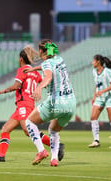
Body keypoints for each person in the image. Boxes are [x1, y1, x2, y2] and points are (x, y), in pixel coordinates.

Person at [0, 46, 64, 162]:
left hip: (24, 105)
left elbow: (16, 86)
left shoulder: (22, 70)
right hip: (23, 105)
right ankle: (1, 155)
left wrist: (1, 91)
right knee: (5, 129)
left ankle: (55, 145)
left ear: (20, 59)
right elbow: (44, 81)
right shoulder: (35, 73)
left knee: (28, 131)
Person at [24, 39, 76, 167]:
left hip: (56, 102)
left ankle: (41, 151)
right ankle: (54, 159)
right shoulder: (59, 59)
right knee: (53, 130)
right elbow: (48, 67)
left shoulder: (47, 63)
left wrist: (39, 87)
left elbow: (48, 77)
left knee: (29, 122)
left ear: (41, 51)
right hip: (71, 104)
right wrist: (34, 68)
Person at [88, 55, 111, 149]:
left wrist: (103, 91)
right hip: (100, 98)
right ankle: (96, 140)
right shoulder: (94, 72)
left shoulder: (107, 72)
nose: (92, 62)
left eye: (93, 60)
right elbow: (97, 85)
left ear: (98, 62)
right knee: (93, 117)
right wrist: (94, 96)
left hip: (109, 97)